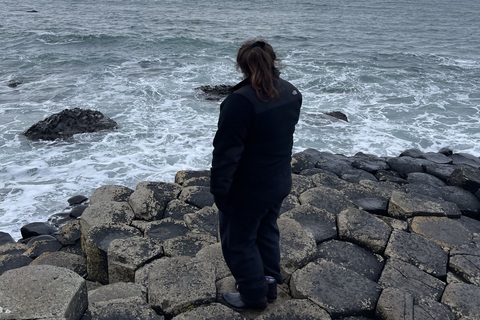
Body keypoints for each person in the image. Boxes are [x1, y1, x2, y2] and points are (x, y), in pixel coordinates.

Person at [210, 39, 302, 310]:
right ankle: (269, 285)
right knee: (265, 231)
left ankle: (253, 297)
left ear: (241, 66)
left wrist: (220, 192)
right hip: (278, 180)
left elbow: (226, 154)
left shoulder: (240, 101)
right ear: (273, 61)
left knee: (238, 243)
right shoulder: (292, 92)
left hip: (249, 189)